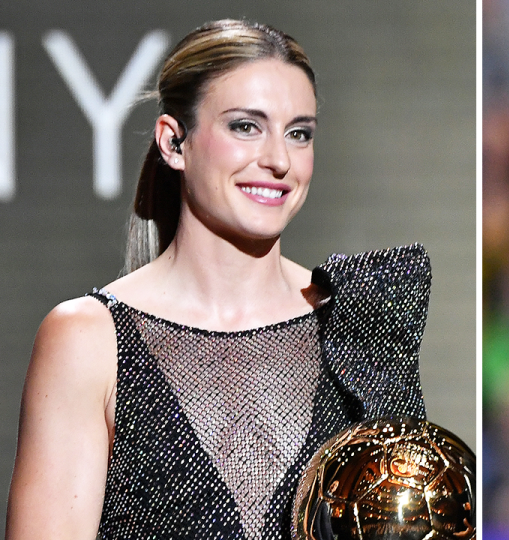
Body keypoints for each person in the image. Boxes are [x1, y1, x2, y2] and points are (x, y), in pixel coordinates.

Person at [6, 20, 430, 539]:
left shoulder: (361, 319)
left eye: (299, 133)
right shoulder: (88, 340)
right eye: (245, 127)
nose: (278, 160)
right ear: (173, 142)